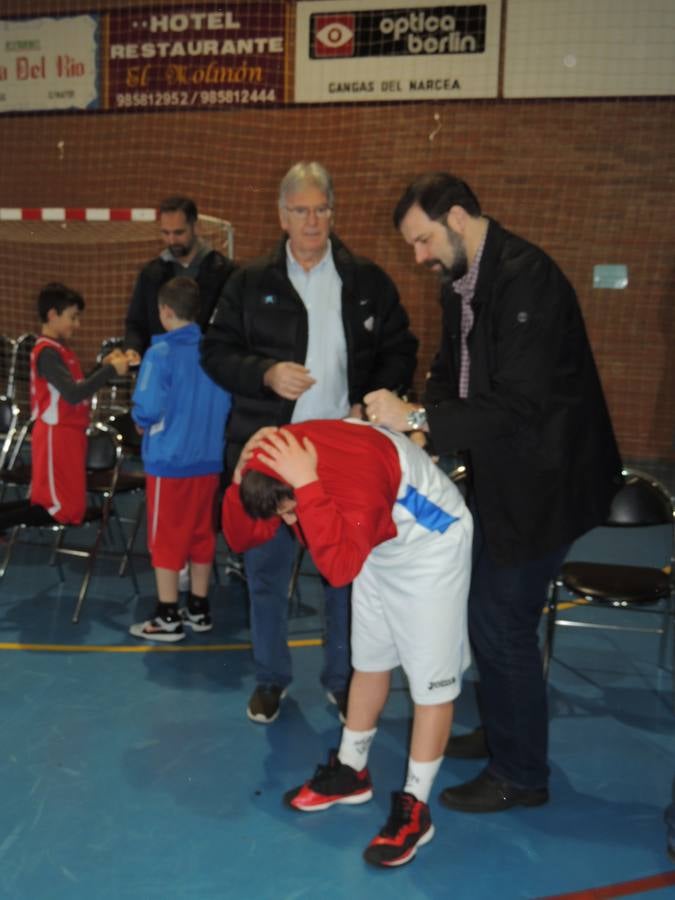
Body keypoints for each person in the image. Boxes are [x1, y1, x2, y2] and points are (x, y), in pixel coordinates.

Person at [364, 173, 623, 813]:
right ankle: (505, 732)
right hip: (505, 475)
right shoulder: (463, 283)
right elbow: (452, 372)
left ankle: (522, 774)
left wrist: (419, 421)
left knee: (501, 622)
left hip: (548, 481)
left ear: (456, 217)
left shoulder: (526, 278)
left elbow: (519, 402)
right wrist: (423, 420)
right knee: (487, 611)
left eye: (423, 240)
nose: (419, 256)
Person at [201, 161, 418, 724]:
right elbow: (216, 352)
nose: (312, 220)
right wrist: (265, 373)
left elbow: (401, 349)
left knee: (343, 578)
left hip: (343, 459)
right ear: (282, 215)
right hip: (270, 457)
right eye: (300, 210)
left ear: (332, 212)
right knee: (267, 576)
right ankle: (271, 679)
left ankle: (342, 680)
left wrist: (371, 398)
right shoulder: (248, 282)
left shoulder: (367, 281)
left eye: (321, 208)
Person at [222, 419, 472, 868]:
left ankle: (416, 807)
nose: (289, 522)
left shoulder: (344, 477)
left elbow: (337, 570)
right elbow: (242, 537)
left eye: (289, 509)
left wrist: (307, 487)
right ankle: (352, 770)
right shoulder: (282, 456)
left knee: (431, 686)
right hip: (378, 542)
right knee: (370, 661)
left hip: (431, 544)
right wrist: (240, 477)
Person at [128, 276, 232, 643]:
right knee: (202, 535)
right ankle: (199, 608)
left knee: (166, 539)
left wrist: (141, 421)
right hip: (207, 461)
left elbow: (148, 406)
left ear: (165, 312)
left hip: (169, 463)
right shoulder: (215, 352)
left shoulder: (160, 354)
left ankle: (167, 615)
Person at [17, 282, 129, 529]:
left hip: (68, 435)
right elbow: (72, 393)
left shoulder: (60, 350)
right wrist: (109, 370)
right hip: (55, 435)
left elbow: (77, 387)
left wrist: (102, 368)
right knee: (57, 509)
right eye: (73, 317)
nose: (77, 325)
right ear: (52, 315)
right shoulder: (47, 352)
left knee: (65, 508)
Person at [123, 196, 237, 365]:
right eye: (165, 233)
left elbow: (233, 326)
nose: (171, 240)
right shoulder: (150, 274)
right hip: (164, 368)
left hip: (208, 368)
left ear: (195, 227)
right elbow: (136, 323)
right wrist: (133, 349)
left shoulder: (225, 272)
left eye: (178, 232)